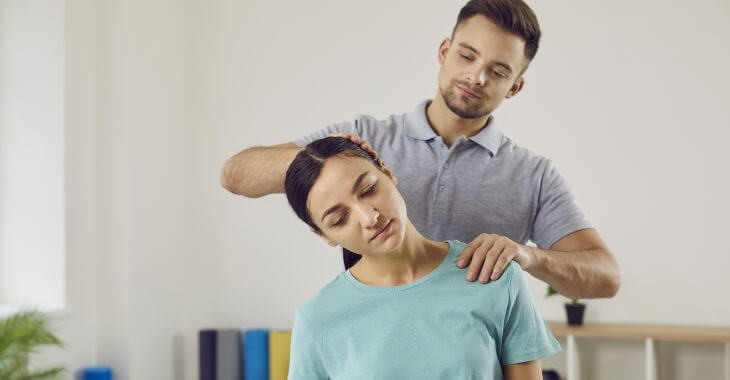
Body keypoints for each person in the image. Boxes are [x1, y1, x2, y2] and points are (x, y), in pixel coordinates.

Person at [221, 0, 620, 299]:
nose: (476, 77)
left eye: (498, 71)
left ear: (514, 86)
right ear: (444, 51)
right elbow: (236, 175)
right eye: (467, 55)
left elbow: (605, 277)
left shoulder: (533, 175)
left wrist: (528, 256)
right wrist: (341, 164)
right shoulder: (365, 137)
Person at [284, 136, 560, 379]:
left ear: (388, 173)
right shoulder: (317, 320)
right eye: (340, 219)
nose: (370, 217)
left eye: (369, 190)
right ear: (325, 236)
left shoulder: (492, 274)